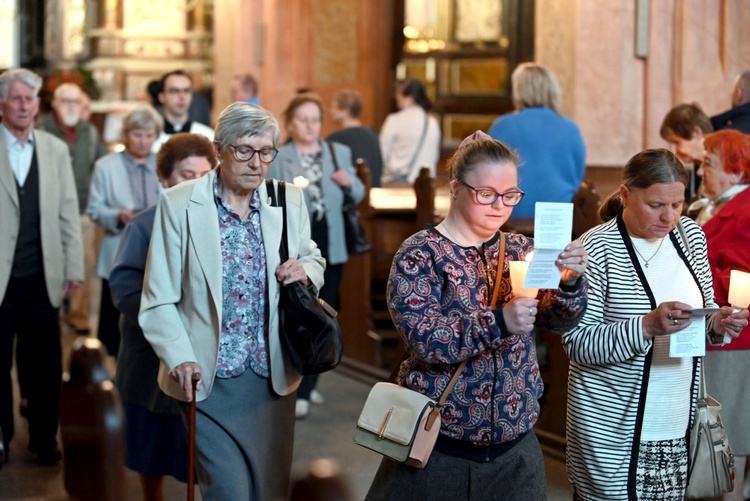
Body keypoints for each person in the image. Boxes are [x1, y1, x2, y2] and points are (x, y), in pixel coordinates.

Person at [366, 131, 589, 501]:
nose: (499, 206)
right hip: (440, 445)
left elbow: (560, 321)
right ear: (455, 188)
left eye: (510, 195)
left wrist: (569, 283)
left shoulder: (520, 248)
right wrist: (499, 321)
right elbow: (424, 340)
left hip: (514, 446)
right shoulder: (421, 253)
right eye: (486, 193)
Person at [139, 102, 325, 501]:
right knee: (230, 491)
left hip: (272, 377)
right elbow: (157, 299)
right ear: (219, 149)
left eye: (266, 151)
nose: (256, 163)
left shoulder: (286, 200)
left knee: (268, 492)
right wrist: (179, 356)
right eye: (244, 150)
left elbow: (313, 256)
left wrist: (306, 270)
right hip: (205, 377)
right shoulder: (180, 205)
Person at [563, 148, 749, 500]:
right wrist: (646, 327)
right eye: (655, 205)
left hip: (677, 420)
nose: (669, 217)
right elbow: (577, 343)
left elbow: (703, 309)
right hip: (613, 426)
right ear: (625, 195)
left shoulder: (690, 236)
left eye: (677, 205)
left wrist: (718, 323)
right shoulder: (596, 248)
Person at [109, 133, 215, 500]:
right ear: (165, 179)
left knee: (202, 450)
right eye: (187, 174)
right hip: (149, 354)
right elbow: (124, 289)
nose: (197, 183)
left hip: (204, 352)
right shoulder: (143, 225)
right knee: (150, 446)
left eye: (205, 173)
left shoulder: (220, 224)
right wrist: (170, 320)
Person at [0, 68, 83, 465]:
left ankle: (44, 438)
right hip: (0, 277)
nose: (23, 106)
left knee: (45, 364)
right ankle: (0, 438)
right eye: (16, 98)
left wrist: (73, 266)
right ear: (2, 104)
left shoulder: (54, 149)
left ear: (38, 105)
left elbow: (69, 210)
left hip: (42, 275)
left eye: (29, 99)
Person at [270, 92, 366, 419]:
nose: (310, 126)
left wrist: (348, 180)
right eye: (303, 119)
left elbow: (360, 192)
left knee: (323, 312)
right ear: (290, 123)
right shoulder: (280, 156)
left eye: (315, 119)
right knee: (299, 311)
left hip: (332, 242)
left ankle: (310, 382)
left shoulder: (338, 152)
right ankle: (299, 382)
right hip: (297, 243)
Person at [696, 129, 750, 501]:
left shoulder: (745, 212)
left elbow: (744, 281)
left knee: (730, 434)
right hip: (709, 334)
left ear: (734, 172)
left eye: (707, 164)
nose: (700, 171)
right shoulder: (711, 205)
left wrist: (694, 270)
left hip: (735, 342)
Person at [87, 105, 164, 358]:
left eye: (148, 135)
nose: (143, 141)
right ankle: (110, 370)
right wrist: (119, 216)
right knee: (114, 319)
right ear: (126, 134)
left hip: (158, 248)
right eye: (137, 134)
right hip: (119, 247)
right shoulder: (105, 166)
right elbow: (94, 208)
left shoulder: (164, 163)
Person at [37, 82, 108, 334]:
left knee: (83, 266)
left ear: (82, 105)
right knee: (51, 265)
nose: (70, 106)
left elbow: (101, 165)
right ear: (55, 104)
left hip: (82, 210)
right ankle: (51, 315)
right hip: (48, 213)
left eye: (75, 102)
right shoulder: (41, 130)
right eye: (65, 101)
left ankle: (78, 316)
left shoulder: (89, 131)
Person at [487, 62, 586, 219]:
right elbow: (577, 177)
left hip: (511, 215)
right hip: (559, 218)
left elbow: (487, 175)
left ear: (518, 90)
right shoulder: (571, 128)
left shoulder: (503, 126)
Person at [379, 78, 441, 184]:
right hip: (426, 184)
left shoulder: (395, 120)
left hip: (397, 183)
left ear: (410, 98)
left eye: (399, 95)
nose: (396, 98)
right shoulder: (432, 122)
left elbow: (382, 153)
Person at [327, 89, 384, 187]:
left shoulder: (336, 138)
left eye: (334, 107)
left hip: (351, 196)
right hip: (374, 192)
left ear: (345, 110)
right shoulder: (373, 134)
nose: (330, 110)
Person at [659, 102, 713, 202]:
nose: (674, 150)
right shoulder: (695, 168)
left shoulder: (724, 168)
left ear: (697, 133)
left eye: (677, 142)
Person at [151, 70, 214, 152]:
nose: (182, 97)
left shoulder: (207, 136)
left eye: (186, 91)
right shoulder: (149, 138)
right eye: (174, 91)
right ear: (162, 97)